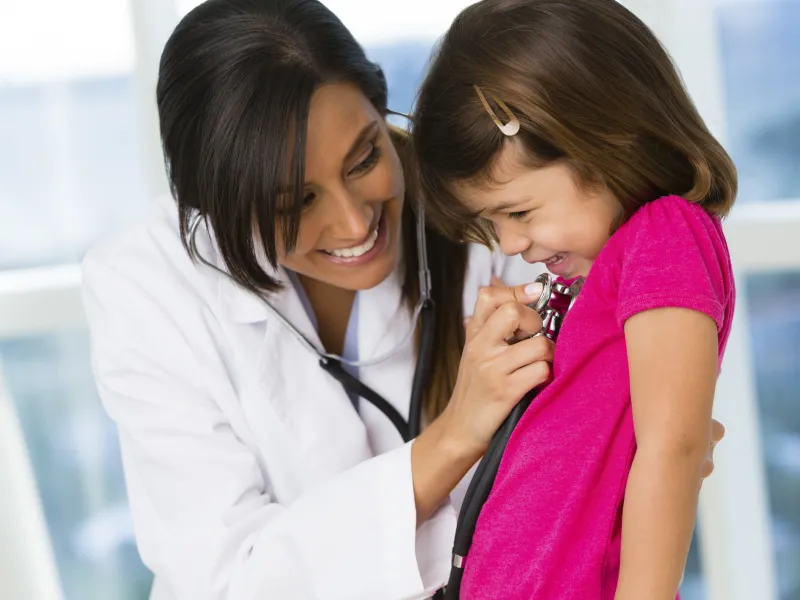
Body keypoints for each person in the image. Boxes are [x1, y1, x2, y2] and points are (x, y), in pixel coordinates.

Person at [81, 1, 724, 599]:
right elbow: (226, 581)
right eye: (295, 203)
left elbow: (608, 455)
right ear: (215, 209)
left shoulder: (487, 202)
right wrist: (455, 438)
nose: (354, 223)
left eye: (365, 157)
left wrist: (627, 438)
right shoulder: (145, 287)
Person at [410, 0, 737, 599]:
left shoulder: (665, 234)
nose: (511, 244)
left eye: (519, 212)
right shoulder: (593, 275)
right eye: (493, 223)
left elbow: (674, 448)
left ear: (605, 143)